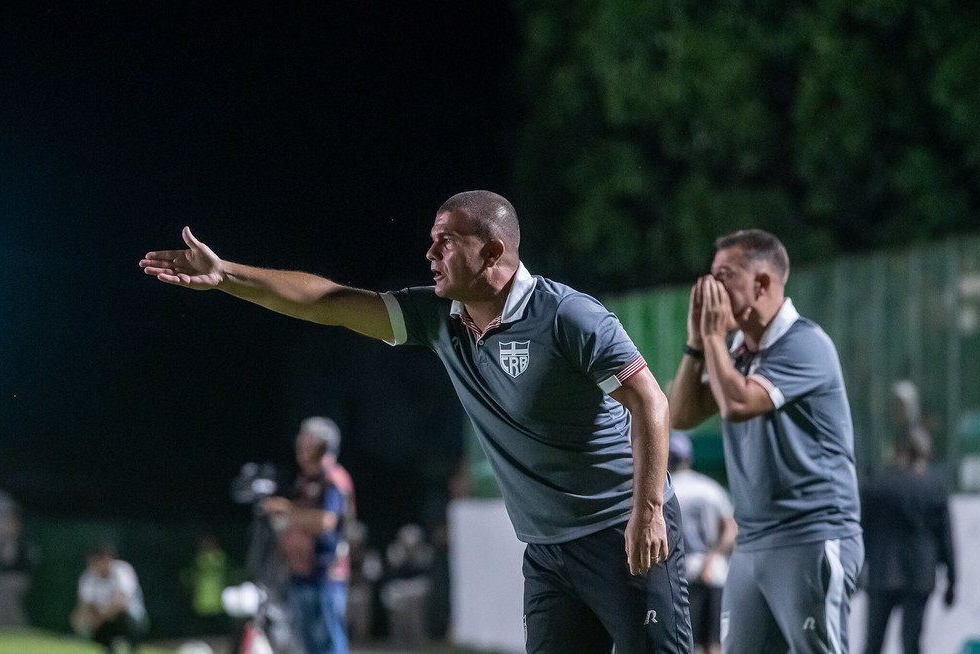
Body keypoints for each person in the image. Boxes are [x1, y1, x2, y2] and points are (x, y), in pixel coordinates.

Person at [141, 189, 693, 654]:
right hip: (547, 551)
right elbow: (327, 302)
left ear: (493, 250)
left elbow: (650, 403)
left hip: (621, 532)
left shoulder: (569, 316)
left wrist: (647, 513)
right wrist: (227, 274)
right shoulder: (439, 319)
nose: (429, 251)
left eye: (445, 241)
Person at [668, 229, 864, 654]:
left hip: (810, 535)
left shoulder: (805, 344)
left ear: (762, 283)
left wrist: (716, 339)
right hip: (753, 541)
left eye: (725, 276)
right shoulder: (737, 351)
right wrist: (697, 343)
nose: (711, 288)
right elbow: (681, 414)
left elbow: (739, 403)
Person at [860, 390, 956, 654]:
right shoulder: (934, 487)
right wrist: (952, 580)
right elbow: (946, 537)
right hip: (920, 575)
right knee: (912, 644)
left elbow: (862, 529)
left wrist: (857, 569)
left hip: (882, 572)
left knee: (872, 644)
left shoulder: (877, 486)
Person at [262, 416, 356, 654]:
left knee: (329, 641)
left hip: (326, 572)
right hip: (300, 573)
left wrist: (288, 511)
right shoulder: (304, 480)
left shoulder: (334, 480)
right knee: (308, 643)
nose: (300, 448)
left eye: (307, 443)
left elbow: (326, 521)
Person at [667, 432, 736, 654]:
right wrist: (713, 557)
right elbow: (730, 528)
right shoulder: (711, 487)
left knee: (689, 643)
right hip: (715, 572)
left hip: (682, 572)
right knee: (714, 644)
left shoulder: (667, 489)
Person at [71, 542, 149, 654]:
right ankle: (108, 648)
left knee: (124, 621)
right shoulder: (88, 577)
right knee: (83, 623)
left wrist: (100, 618)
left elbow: (121, 603)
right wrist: (84, 619)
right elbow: (83, 606)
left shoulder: (122, 570)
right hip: (103, 620)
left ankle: (131, 648)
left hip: (131, 619)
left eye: (96, 562)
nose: (92, 566)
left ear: (107, 560)